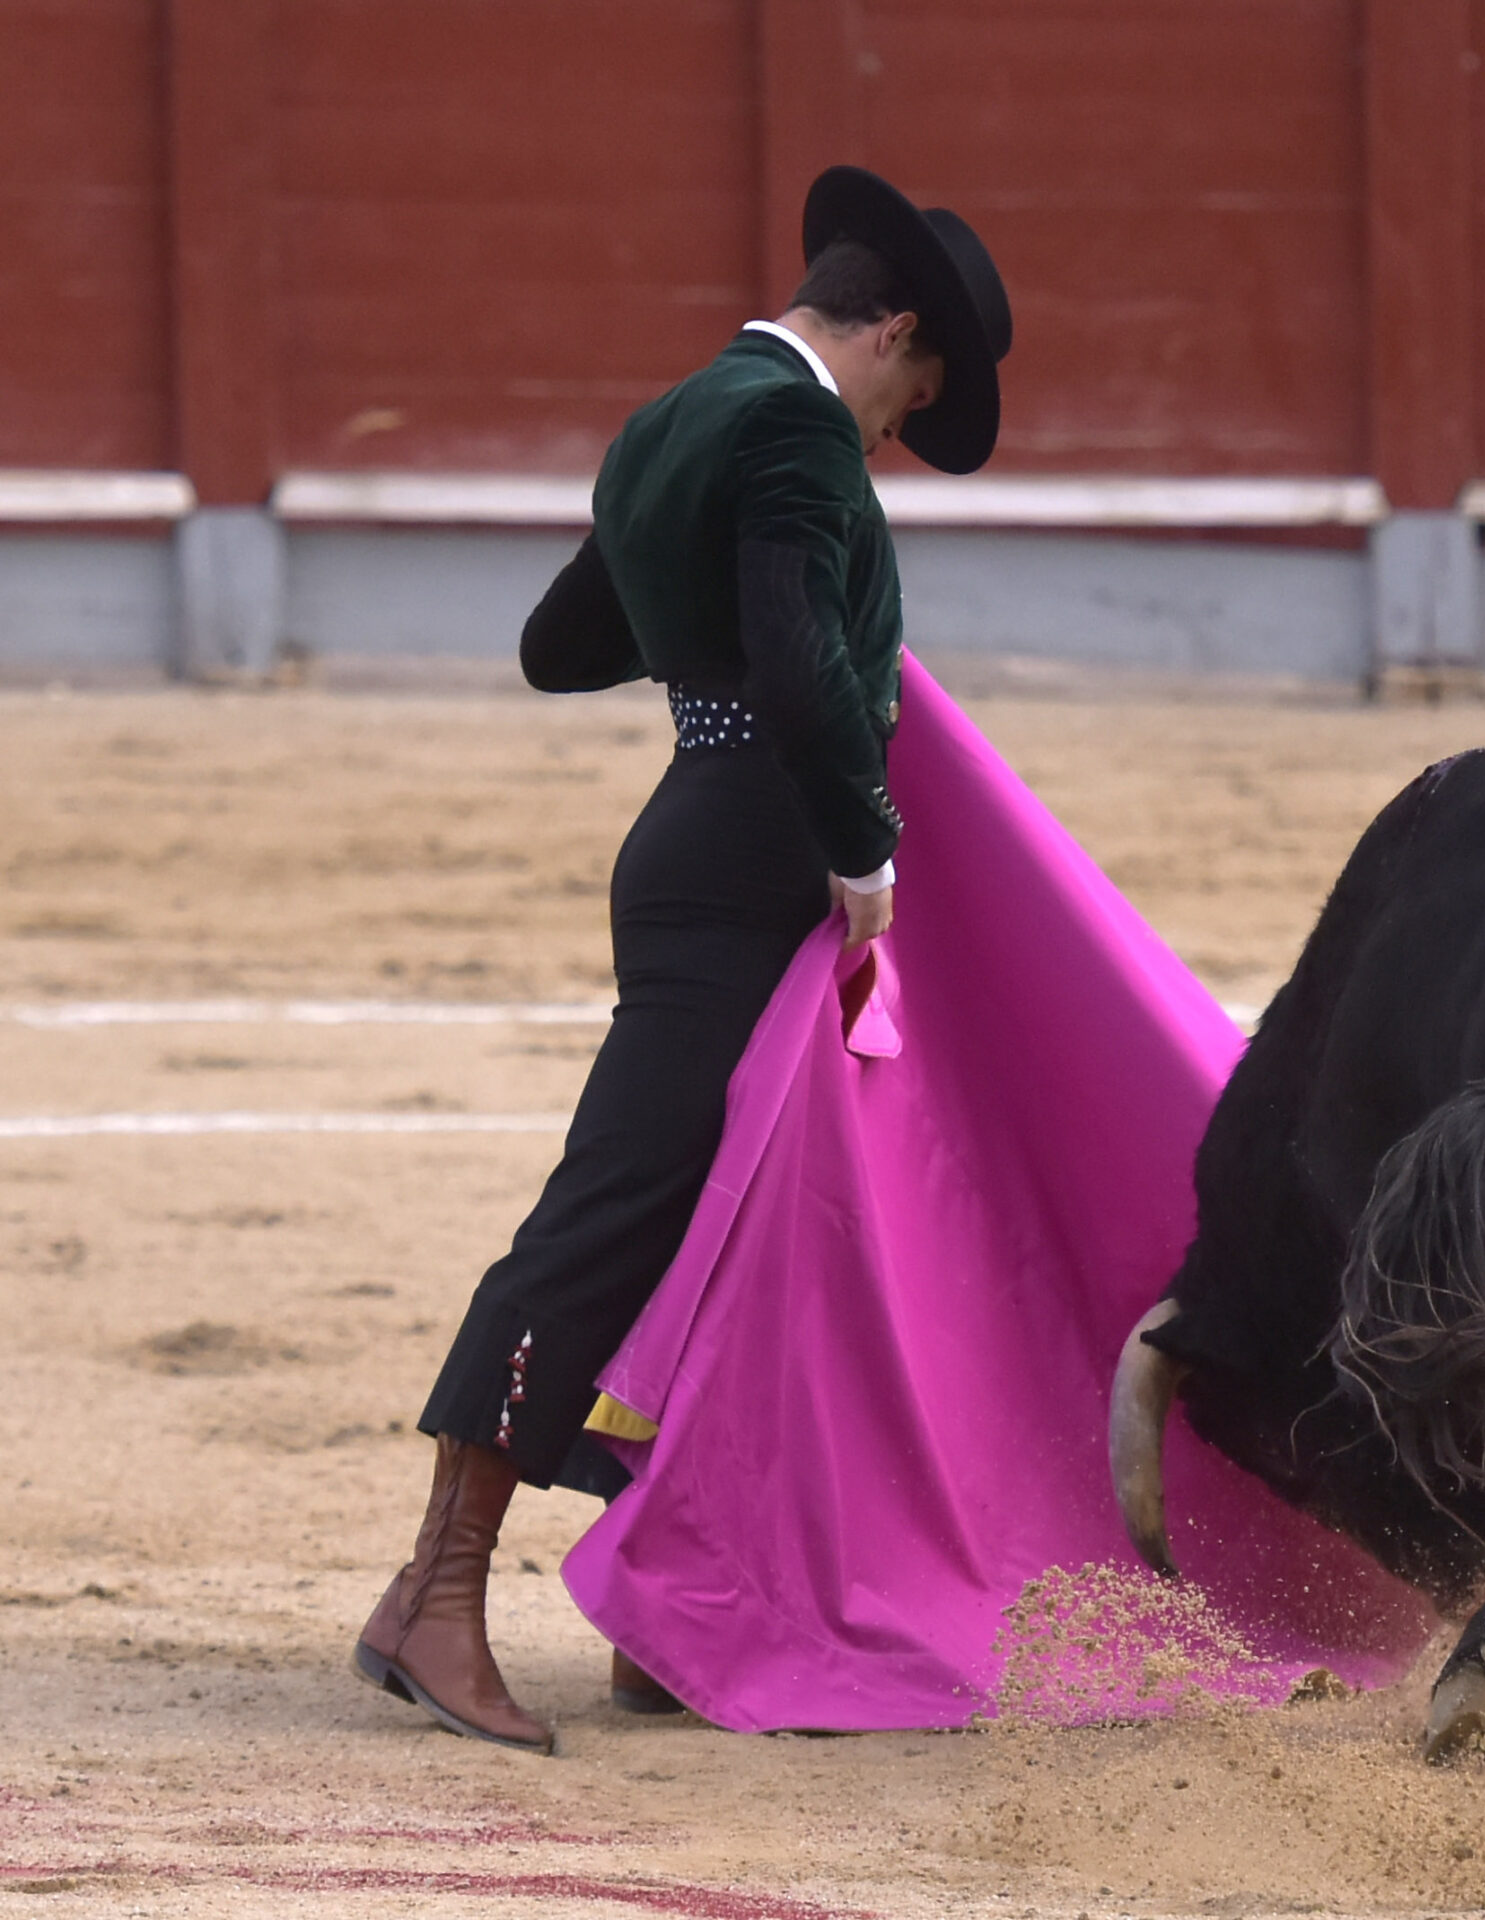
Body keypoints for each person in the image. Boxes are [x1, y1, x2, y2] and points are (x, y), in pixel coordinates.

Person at [354, 167, 1011, 1753]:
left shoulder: (671, 420)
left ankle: (684, 1586)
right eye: (913, 399)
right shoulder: (789, 428)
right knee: (623, 1204)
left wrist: (700, 597)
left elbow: (560, 647)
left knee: (731, 1216)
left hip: (700, 826)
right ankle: (437, 1596)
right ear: (893, 329)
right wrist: (863, 845)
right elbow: (794, 658)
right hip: (748, 854)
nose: (894, 433)